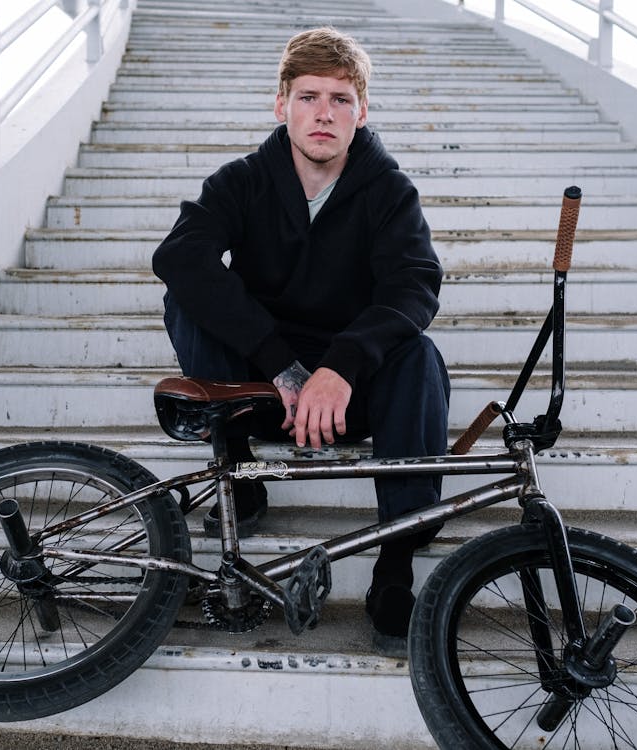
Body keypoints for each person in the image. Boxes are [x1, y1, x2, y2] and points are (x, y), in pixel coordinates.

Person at [151, 27, 450, 652]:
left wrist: (339, 366)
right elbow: (180, 256)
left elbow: (415, 285)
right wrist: (280, 365)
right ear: (281, 103)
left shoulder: (389, 192)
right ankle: (239, 472)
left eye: (340, 99)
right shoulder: (241, 181)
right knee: (187, 297)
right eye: (309, 96)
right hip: (262, 386)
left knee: (419, 355)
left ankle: (393, 565)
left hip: (350, 389)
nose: (323, 113)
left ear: (361, 112)